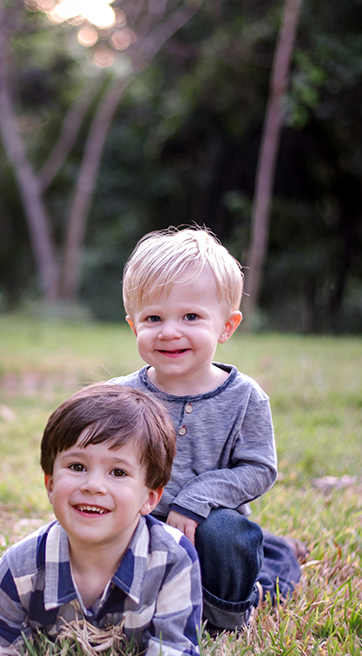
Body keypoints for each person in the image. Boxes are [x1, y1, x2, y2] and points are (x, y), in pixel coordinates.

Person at [110, 224, 303, 633]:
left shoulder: (245, 397)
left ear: (227, 326)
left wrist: (197, 498)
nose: (170, 331)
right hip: (140, 525)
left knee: (232, 534)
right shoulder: (120, 396)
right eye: (154, 318)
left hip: (206, 527)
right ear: (134, 326)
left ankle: (225, 616)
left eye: (191, 316)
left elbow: (259, 469)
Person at [0, 383, 202, 656]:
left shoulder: (172, 560)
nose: (93, 486)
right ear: (50, 484)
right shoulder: (21, 565)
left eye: (118, 473)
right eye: (77, 467)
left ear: (150, 498)